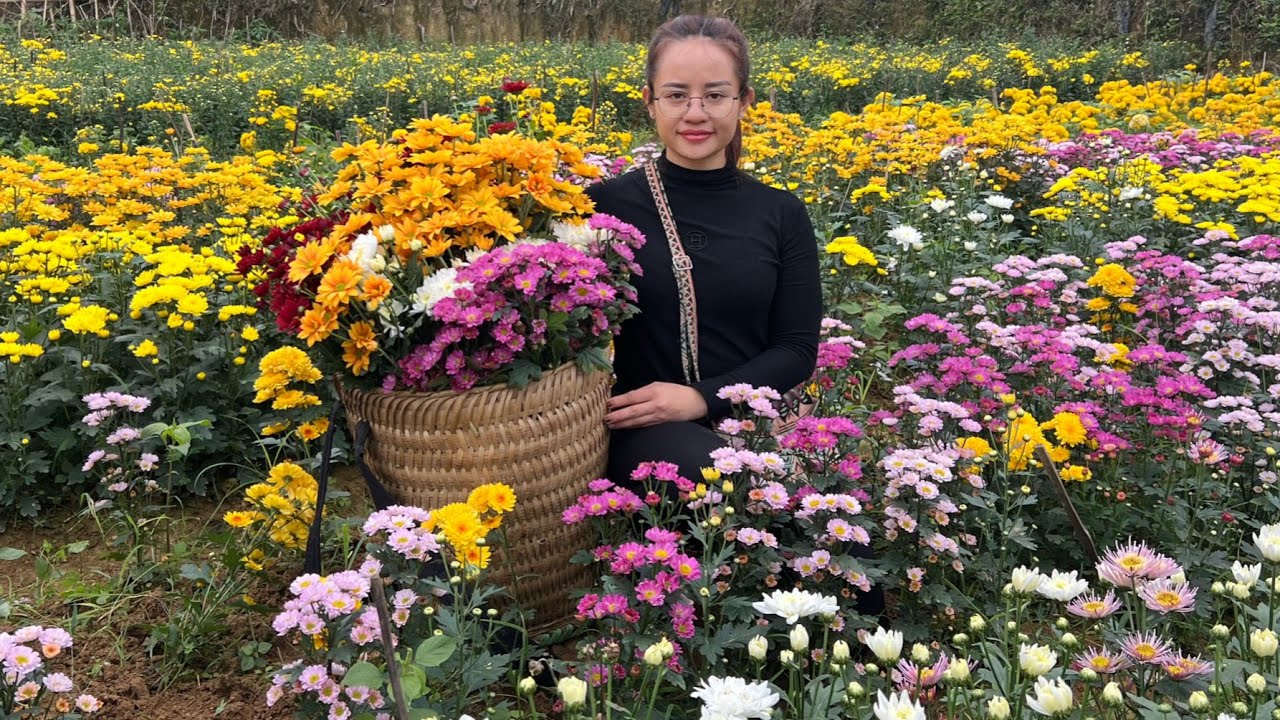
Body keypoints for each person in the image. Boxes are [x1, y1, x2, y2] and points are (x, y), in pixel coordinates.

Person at [586, 14, 822, 488]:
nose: (696, 113)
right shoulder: (603, 207)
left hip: (752, 420)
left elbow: (795, 349)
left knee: (837, 535)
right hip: (647, 427)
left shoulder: (780, 212)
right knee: (733, 484)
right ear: (650, 102)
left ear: (744, 101)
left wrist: (700, 397)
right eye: (676, 95)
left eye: (715, 95)